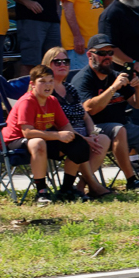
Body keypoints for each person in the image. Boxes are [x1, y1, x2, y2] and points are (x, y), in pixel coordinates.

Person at [71, 35, 139, 191]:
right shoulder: (84, 79)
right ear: (90, 55)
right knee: (119, 129)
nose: (107, 57)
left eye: (110, 53)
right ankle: (131, 180)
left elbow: (138, 104)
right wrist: (113, 88)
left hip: (120, 126)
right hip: (94, 129)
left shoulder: (115, 75)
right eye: (102, 53)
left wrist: (138, 88)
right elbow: (89, 109)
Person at [3, 65, 93, 205]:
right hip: (16, 140)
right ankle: (41, 192)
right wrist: (58, 135)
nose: (48, 85)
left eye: (51, 81)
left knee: (76, 144)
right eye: (42, 81)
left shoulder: (52, 100)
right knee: (38, 143)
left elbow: (65, 126)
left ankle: (66, 189)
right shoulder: (27, 101)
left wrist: (78, 138)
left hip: (42, 137)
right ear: (33, 84)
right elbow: (27, 132)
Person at [42, 46, 111, 200]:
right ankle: (93, 185)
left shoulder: (70, 88)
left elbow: (85, 116)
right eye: (57, 62)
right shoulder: (46, 90)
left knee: (103, 139)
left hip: (81, 133)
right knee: (80, 145)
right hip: (61, 136)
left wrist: (92, 134)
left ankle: (80, 186)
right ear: (47, 65)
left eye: (66, 62)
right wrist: (83, 138)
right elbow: (53, 122)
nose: (62, 65)